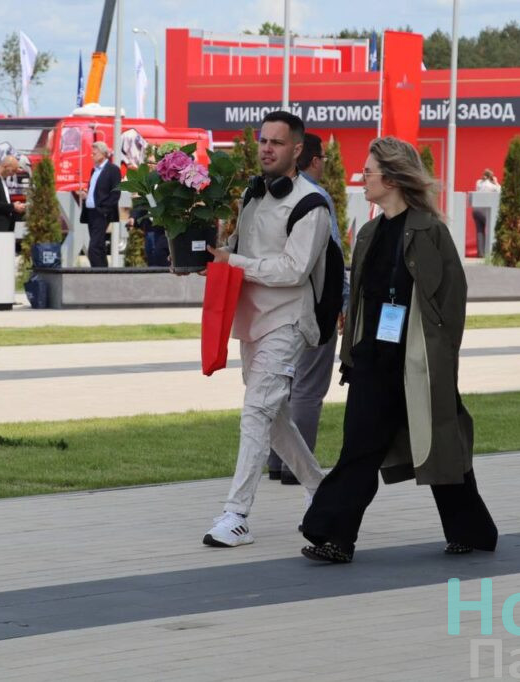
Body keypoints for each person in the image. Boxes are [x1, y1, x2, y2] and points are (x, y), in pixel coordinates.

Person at [299, 136, 498, 564]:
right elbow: (362, 300)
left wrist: (440, 359)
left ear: (391, 178)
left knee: (441, 444)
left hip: (418, 364)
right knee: (358, 449)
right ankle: (334, 536)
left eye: (369, 171)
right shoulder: (369, 232)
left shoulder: (430, 231)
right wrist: (352, 352)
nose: (363, 178)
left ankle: (472, 532)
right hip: (372, 361)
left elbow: (451, 301)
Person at [200, 110, 329, 548]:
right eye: (263, 141)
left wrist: (234, 261)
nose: (267, 149)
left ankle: (236, 515)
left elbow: (294, 270)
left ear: (297, 149)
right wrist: (207, 256)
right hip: (252, 321)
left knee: (256, 411)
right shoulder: (251, 195)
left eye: (277, 142)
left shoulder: (311, 205)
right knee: (273, 417)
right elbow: (237, 250)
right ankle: (321, 490)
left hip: (288, 320)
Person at [266, 132, 348, 485]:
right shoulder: (316, 198)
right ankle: (296, 469)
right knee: (309, 386)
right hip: (313, 302)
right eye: (323, 158)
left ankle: (276, 461)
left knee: (281, 385)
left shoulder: (269, 194)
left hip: (275, 304)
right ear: (313, 160)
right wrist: (343, 301)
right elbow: (332, 254)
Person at [79, 141, 122, 268]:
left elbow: (116, 193)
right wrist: (86, 196)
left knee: (94, 247)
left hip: (101, 213)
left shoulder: (113, 170)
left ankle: (97, 273)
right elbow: (96, 191)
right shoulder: (94, 170)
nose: (92, 156)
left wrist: (105, 210)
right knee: (100, 246)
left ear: (103, 154)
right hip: (90, 212)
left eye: (95, 153)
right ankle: (104, 272)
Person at [471, 169, 500, 258]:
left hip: (476, 209)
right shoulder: (491, 185)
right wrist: (496, 182)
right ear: (491, 176)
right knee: (491, 229)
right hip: (486, 210)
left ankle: (480, 253)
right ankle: (489, 252)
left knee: (479, 231)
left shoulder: (479, 182)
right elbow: (500, 191)